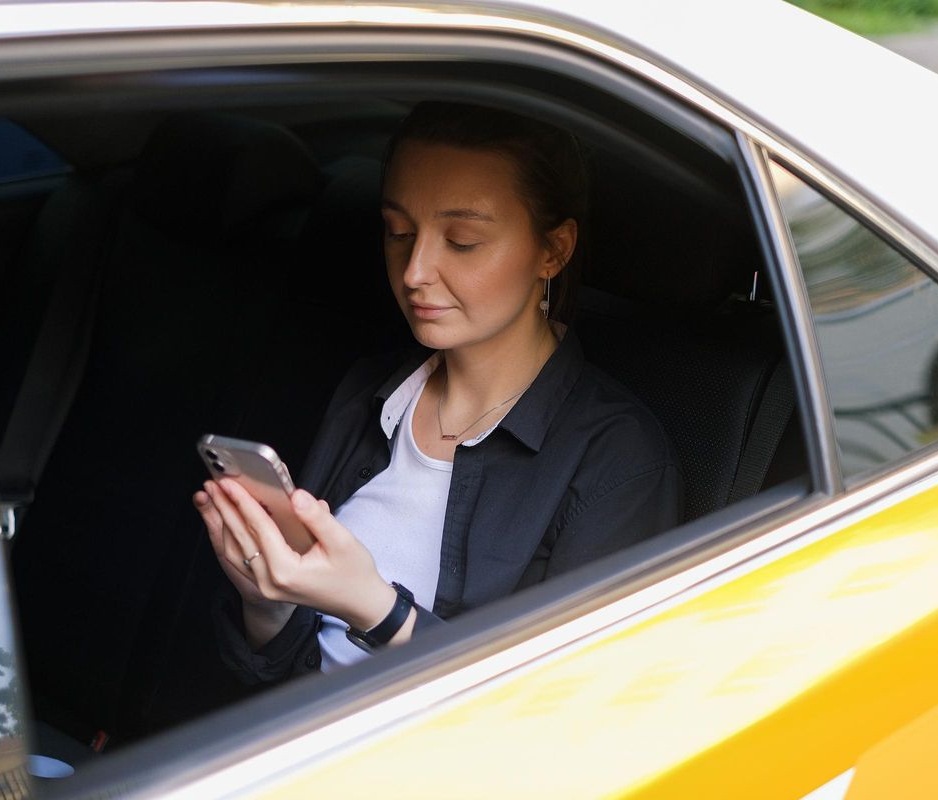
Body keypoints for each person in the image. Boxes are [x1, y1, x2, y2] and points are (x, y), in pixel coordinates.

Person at [193, 101, 680, 685]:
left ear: (552, 251)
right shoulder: (370, 393)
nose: (414, 270)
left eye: (463, 240)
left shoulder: (617, 461)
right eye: (399, 231)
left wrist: (377, 610)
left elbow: (566, 718)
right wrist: (268, 602)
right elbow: (284, 671)